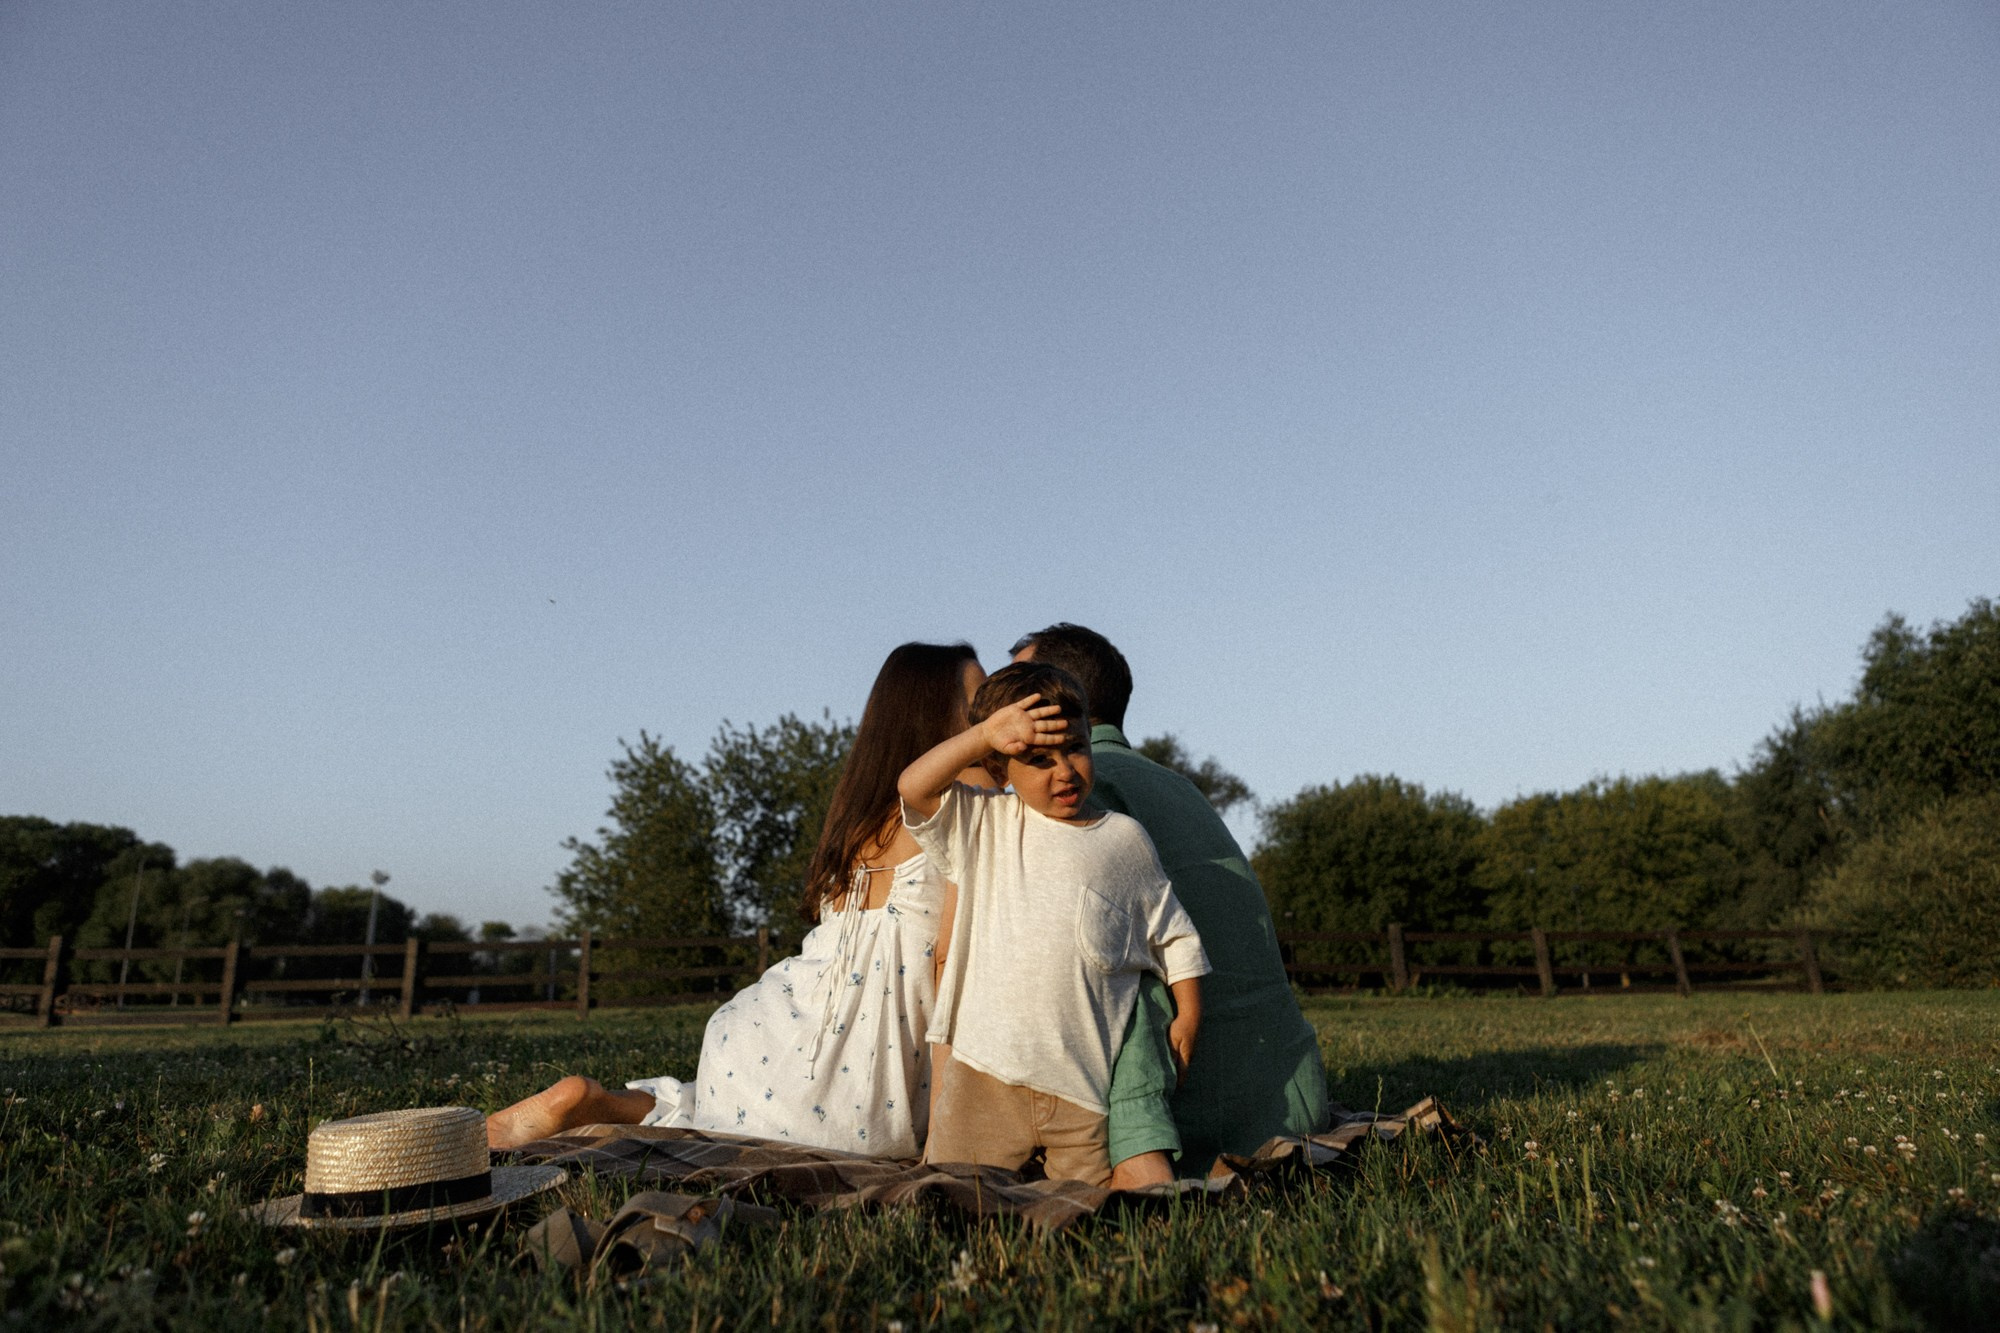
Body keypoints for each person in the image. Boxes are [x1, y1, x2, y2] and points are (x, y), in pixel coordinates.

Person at [487, 641, 991, 1156]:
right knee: (781, 1127)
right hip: (861, 1081)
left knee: (722, 1114)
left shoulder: (861, 808)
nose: (995, 713)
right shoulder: (967, 792)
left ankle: (601, 1105)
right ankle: (603, 1105)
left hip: (757, 1042)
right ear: (935, 710)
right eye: (979, 700)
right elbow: (947, 959)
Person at [1011, 623, 1328, 1184]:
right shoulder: (1179, 788)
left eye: (1014, 693)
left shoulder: (1079, 796)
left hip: (1185, 1123)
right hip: (1292, 1101)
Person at [899, 660, 1210, 1186]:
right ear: (1000, 770)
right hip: (984, 1074)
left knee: (1084, 1215)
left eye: (1075, 748)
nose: (1064, 770)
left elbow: (1175, 936)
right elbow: (913, 788)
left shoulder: (1124, 839)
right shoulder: (984, 823)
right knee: (951, 1199)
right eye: (1038, 759)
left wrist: (1188, 1016)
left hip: (1083, 1087)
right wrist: (984, 736)